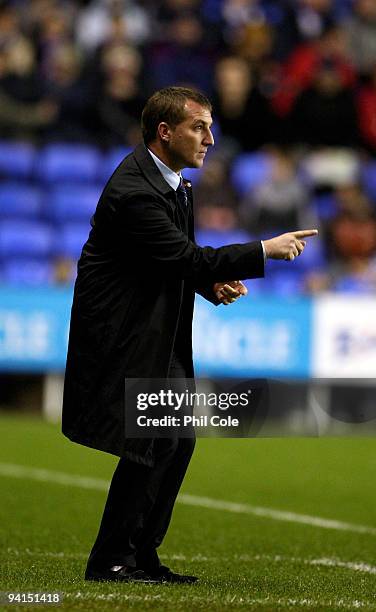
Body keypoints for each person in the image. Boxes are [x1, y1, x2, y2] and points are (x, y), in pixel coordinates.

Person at [62, 86, 317, 584]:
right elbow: (183, 257)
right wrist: (263, 250)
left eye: (210, 126)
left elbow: (176, 256)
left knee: (177, 438)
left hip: (155, 329)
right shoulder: (135, 190)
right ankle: (111, 559)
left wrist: (208, 284)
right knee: (155, 438)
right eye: (199, 127)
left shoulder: (173, 183)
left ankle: (140, 555)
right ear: (165, 132)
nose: (211, 138)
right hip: (123, 334)